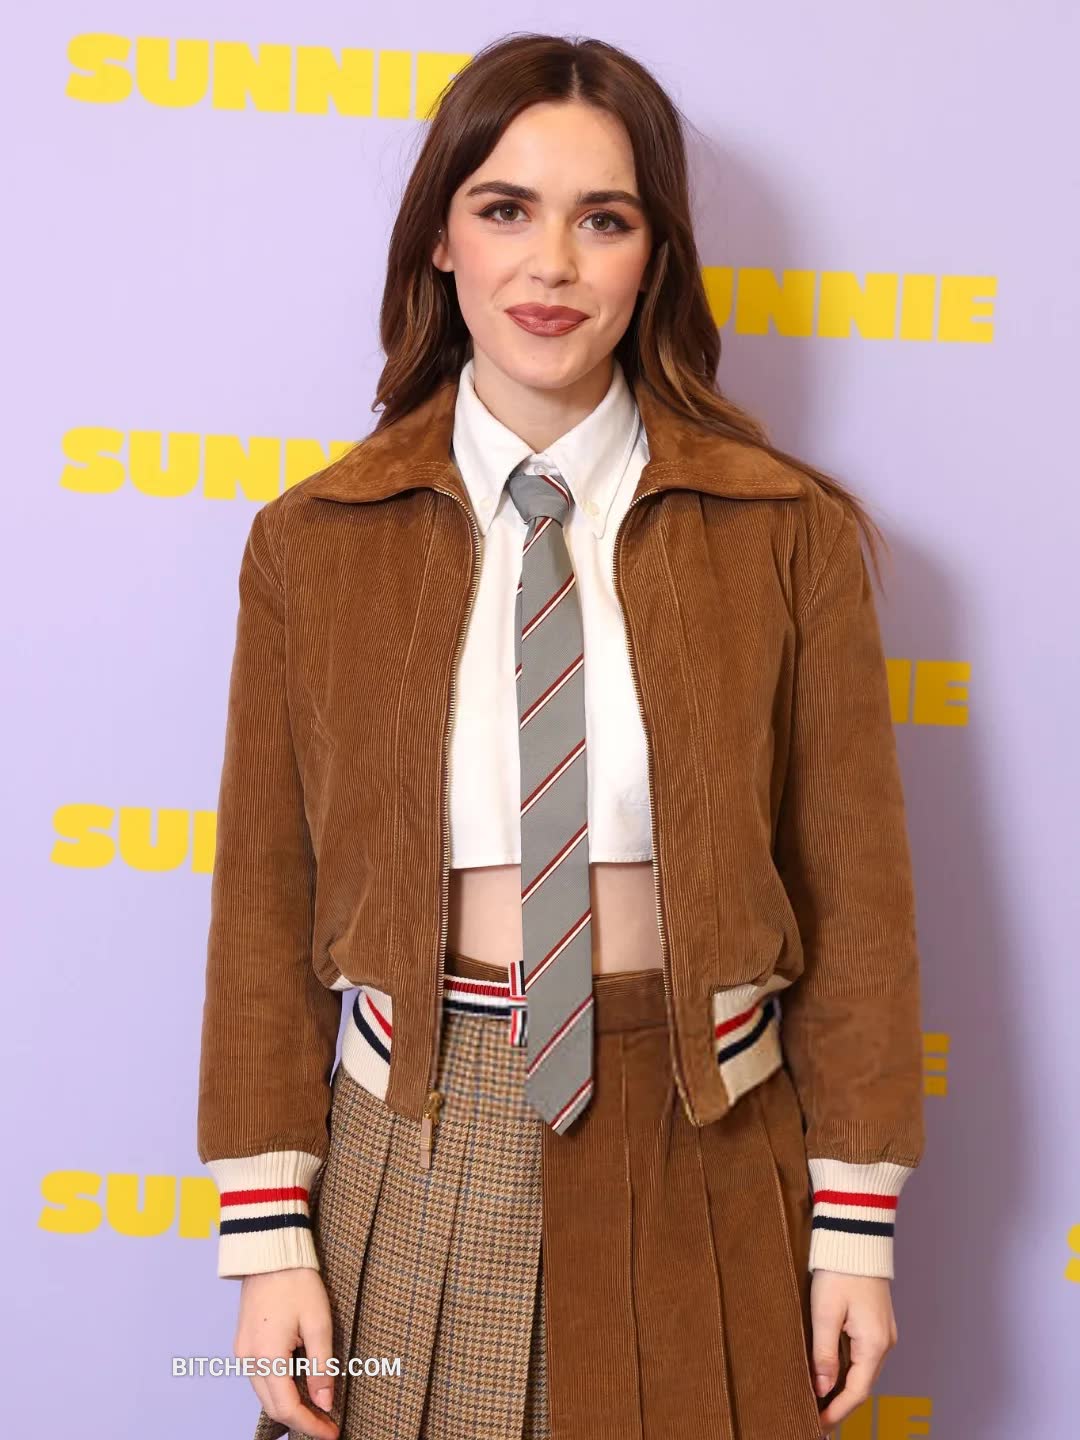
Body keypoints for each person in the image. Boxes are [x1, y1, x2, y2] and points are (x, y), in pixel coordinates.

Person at [196, 30, 925, 1440]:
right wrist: (270, 1238)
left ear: (654, 257)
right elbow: (262, 904)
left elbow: (858, 903)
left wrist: (856, 1226)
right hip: (416, 1132)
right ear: (440, 242)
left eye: (604, 219)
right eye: (505, 209)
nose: (551, 265)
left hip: (709, 1123)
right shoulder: (313, 543)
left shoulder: (786, 533)